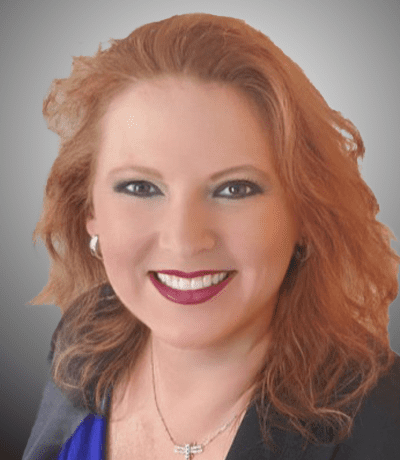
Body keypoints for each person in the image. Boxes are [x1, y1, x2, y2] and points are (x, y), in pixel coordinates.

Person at [23, 12, 400, 460]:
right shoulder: (81, 345)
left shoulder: (383, 423)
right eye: (141, 188)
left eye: (234, 189)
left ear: (304, 213)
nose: (184, 241)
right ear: (90, 211)